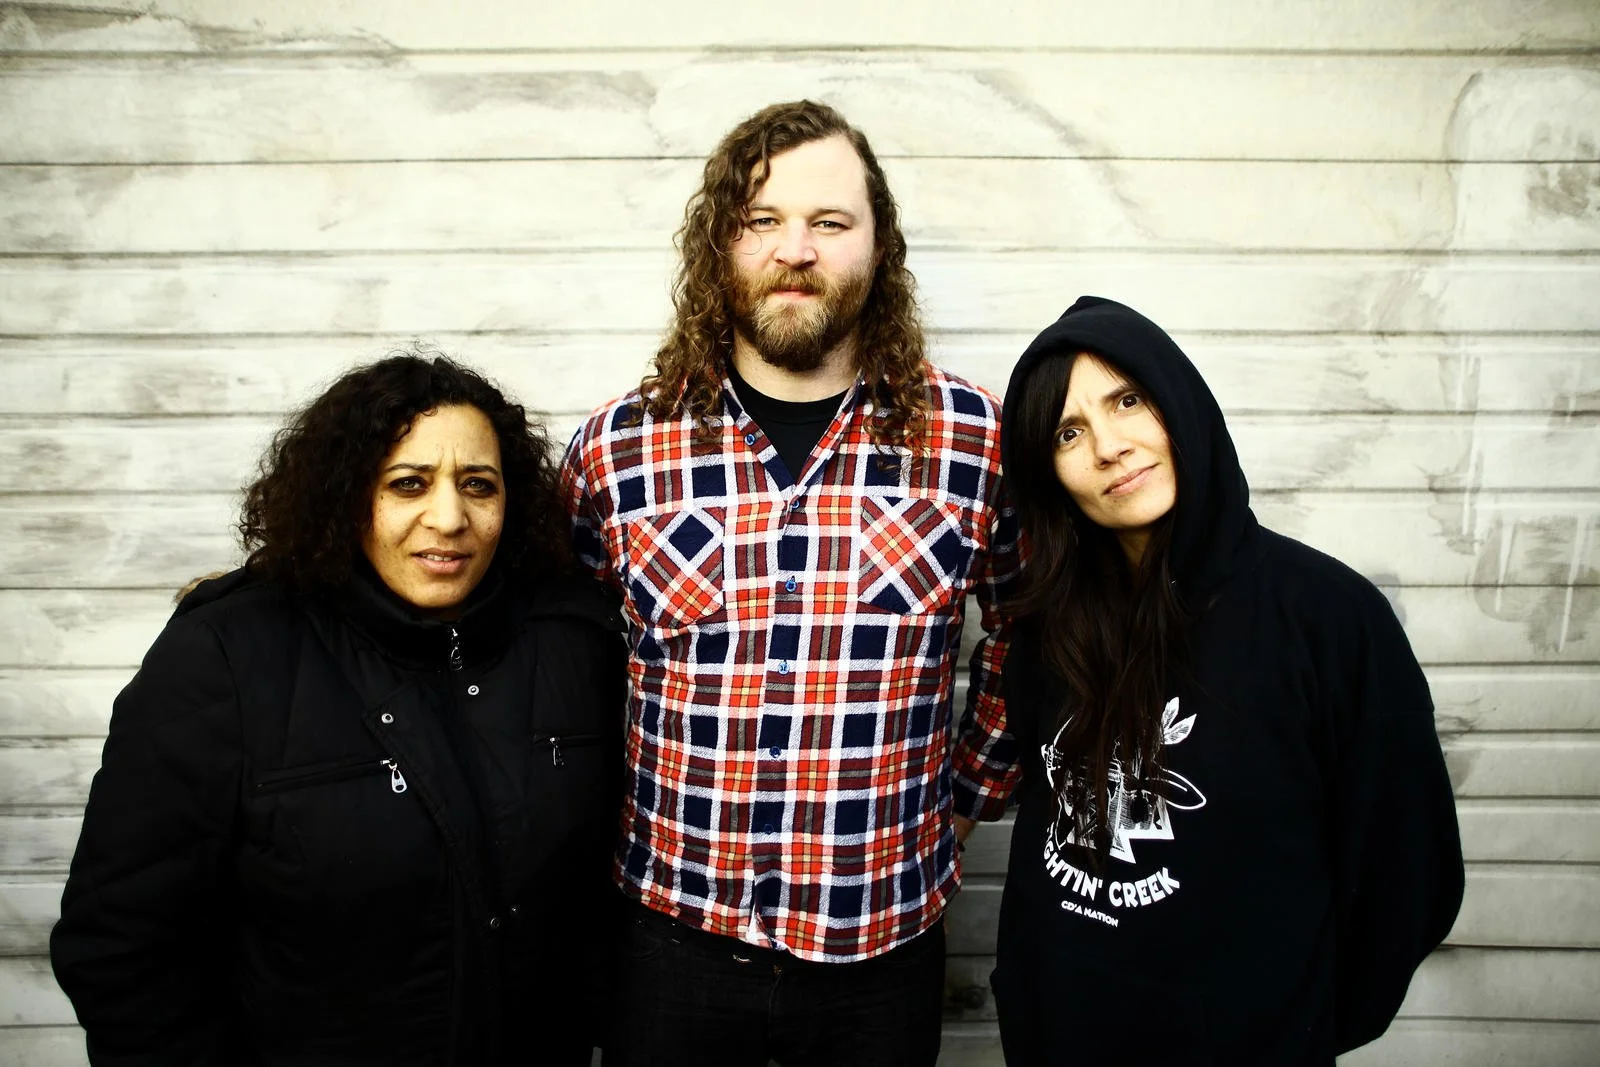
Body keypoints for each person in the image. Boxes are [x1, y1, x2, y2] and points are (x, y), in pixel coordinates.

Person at [560, 100, 1020, 1066]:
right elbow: (555, 659)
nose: (794, 249)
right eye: (761, 220)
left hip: (880, 951)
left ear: (878, 243)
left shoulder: (973, 441)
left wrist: (967, 793)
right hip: (669, 941)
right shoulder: (619, 447)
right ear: (719, 244)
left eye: (829, 222)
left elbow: (1036, 631)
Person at [51, 353, 626, 1067]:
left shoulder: (568, 638)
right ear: (347, 495)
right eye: (407, 484)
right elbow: (122, 944)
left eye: (478, 485)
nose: (448, 517)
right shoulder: (229, 655)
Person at [989, 296, 1465, 1065]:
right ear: (1048, 473)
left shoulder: (1326, 616)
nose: (1109, 446)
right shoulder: (1049, 630)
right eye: (1068, 433)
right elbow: (1041, 851)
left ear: (1180, 399)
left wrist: (1292, 1023)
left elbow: (1410, 875)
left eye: (1128, 400)